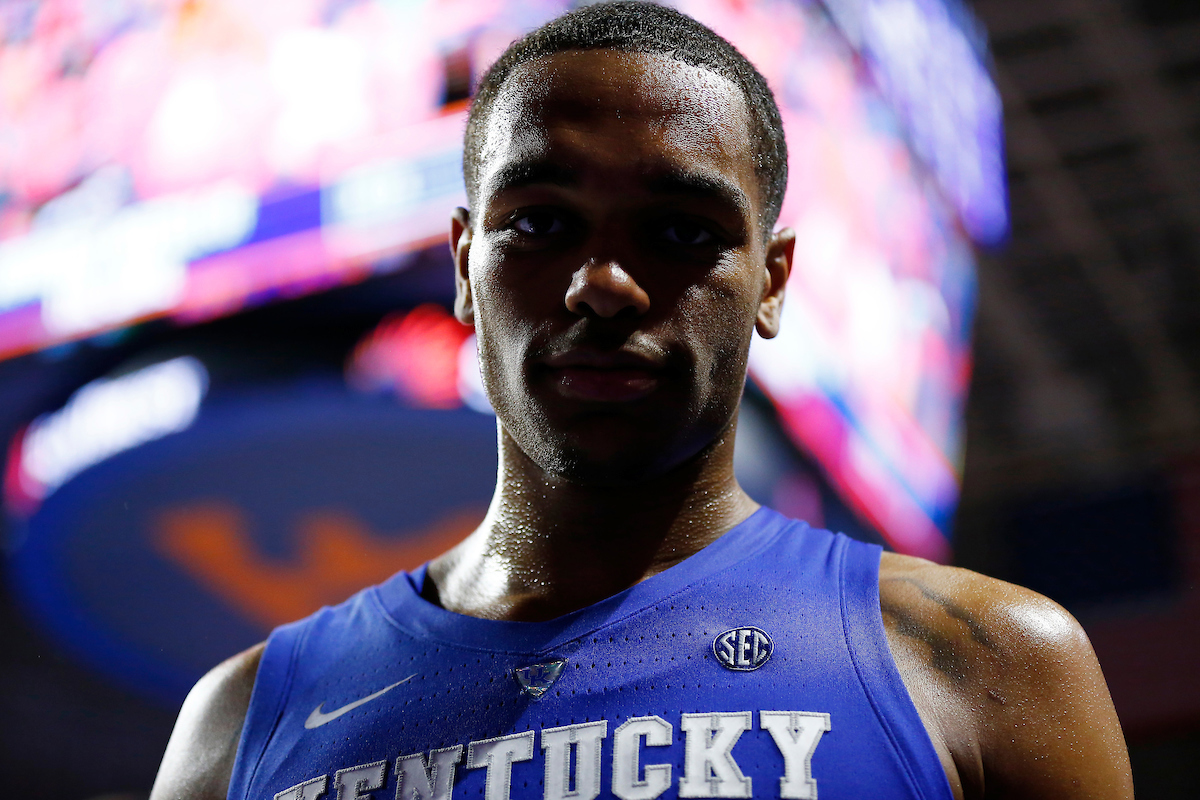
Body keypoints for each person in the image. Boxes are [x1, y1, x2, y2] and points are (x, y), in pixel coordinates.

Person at [150, 3, 1134, 799]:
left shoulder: (986, 665)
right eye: (540, 221)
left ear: (775, 279)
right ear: (462, 263)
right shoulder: (239, 727)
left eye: (677, 229)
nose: (603, 282)